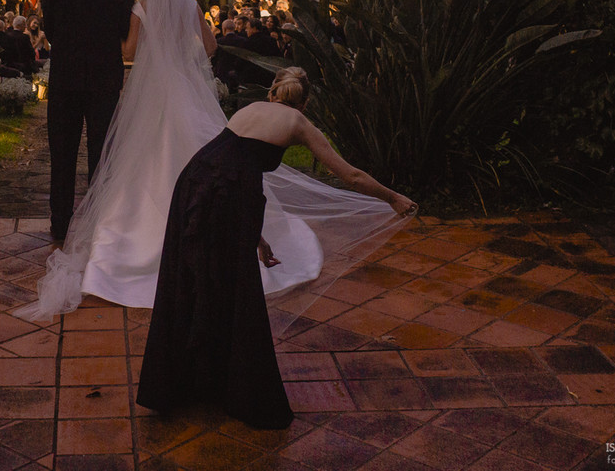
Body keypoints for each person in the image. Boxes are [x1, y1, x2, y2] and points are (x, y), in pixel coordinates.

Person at [17, 0, 403, 326]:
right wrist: (182, 57)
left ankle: (129, 248)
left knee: (141, 162)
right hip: (184, 91)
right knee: (199, 152)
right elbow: (211, 46)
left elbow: (130, 50)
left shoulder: (142, 6)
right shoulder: (189, 5)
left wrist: (146, 47)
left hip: (150, 95)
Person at [136, 67, 415, 430]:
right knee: (234, 287)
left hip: (192, 184)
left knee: (194, 278)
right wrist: (393, 198)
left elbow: (229, 169)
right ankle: (232, 389)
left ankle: (184, 382)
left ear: (272, 93)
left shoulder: (250, 110)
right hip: (224, 195)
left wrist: (255, 236)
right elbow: (351, 175)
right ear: (305, 102)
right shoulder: (299, 124)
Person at [40, 0, 134, 241]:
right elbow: (125, 30)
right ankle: (99, 222)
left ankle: (60, 223)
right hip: (104, 80)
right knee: (101, 153)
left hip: (65, 79)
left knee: (62, 154)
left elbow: (49, 30)